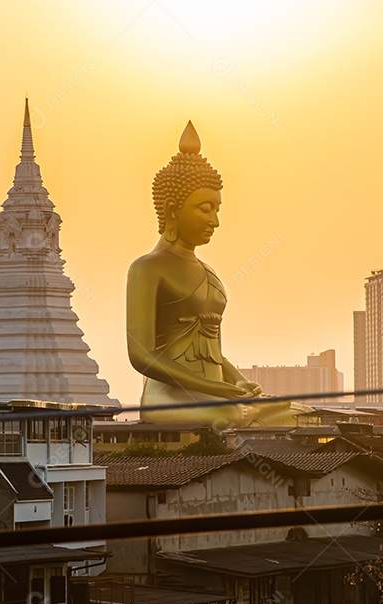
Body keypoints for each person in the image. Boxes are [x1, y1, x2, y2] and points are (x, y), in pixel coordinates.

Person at [126, 121, 307, 427]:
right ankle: (245, 414)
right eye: (206, 208)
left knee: (303, 415)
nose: (215, 220)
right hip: (170, 397)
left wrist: (239, 382)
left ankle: (248, 412)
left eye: (217, 209)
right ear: (172, 210)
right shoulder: (147, 267)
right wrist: (216, 389)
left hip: (217, 394)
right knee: (226, 415)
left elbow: (214, 353)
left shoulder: (208, 272)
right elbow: (143, 357)